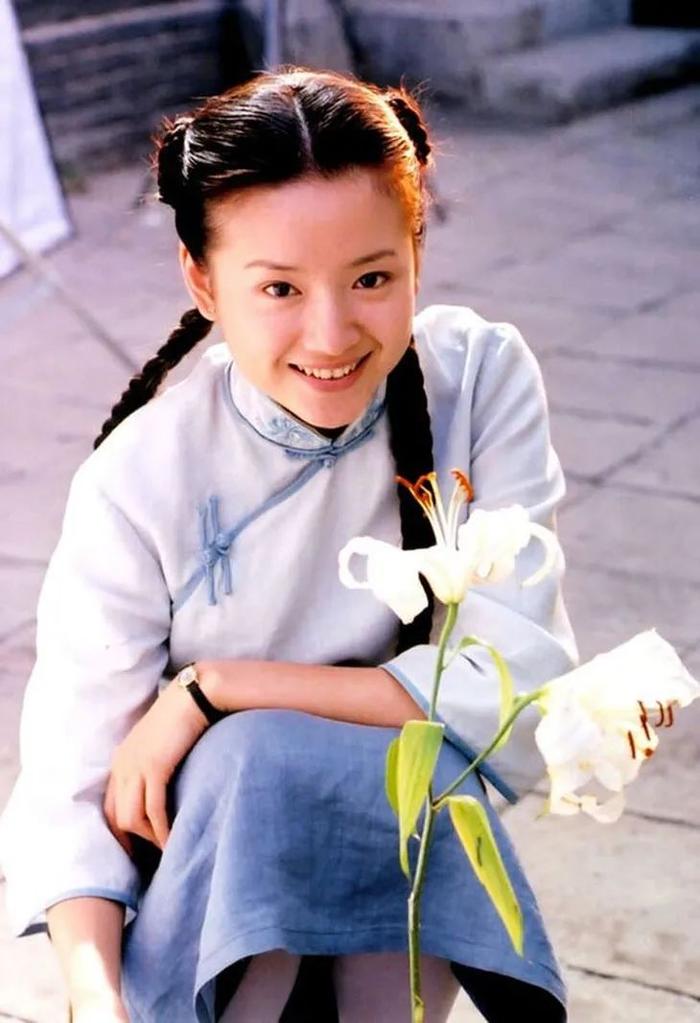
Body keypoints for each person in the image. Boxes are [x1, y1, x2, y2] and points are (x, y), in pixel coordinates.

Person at [0, 66, 578, 1022]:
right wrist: (95, 997)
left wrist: (217, 688)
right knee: (251, 759)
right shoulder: (141, 473)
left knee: (354, 757)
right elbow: (75, 773)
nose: (332, 333)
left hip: (396, 887)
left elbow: (512, 685)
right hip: (217, 912)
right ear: (202, 279)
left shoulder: (479, 378)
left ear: (417, 251)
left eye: (373, 278)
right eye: (278, 286)